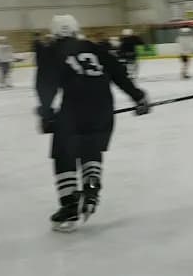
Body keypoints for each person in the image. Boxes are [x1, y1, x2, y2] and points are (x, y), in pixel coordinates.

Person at [36, 15, 150, 232]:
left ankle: (70, 204)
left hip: (73, 108)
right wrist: (138, 97)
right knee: (91, 147)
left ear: (54, 33)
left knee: (64, 151)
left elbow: (45, 84)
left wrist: (46, 114)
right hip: (103, 108)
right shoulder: (93, 47)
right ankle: (91, 188)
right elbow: (118, 72)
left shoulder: (52, 50)